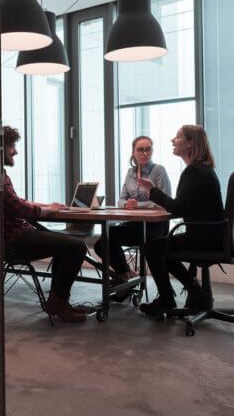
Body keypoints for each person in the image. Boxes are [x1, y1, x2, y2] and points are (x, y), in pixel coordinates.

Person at [0, 126, 88, 323]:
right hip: (14, 241)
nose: (15, 151)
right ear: (1, 148)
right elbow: (19, 208)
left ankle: (58, 301)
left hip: (7, 239)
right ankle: (59, 302)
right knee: (77, 247)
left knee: (65, 245)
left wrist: (47, 206)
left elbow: (16, 201)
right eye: (12, 146)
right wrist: (48, 210)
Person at [136, 125, 225, 317]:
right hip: (212, 235)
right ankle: (192, 290)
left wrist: (152, 190)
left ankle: (170, 298)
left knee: (152, 248)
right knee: (161, 247)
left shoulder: (194, 172)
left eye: (178, 137)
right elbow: (184, 206)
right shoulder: (201, 169)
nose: (172, 140)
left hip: (204, 238)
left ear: (190, 143)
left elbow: (177, 208)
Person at [92, 136, 171, 296]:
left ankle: (127, 281)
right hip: (134, 224)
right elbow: (121, 199)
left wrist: (138, 205)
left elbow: (165, 201)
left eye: (148, 149)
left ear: (152, 151)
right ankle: (126, 274)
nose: (144, 153)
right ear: (133, 152)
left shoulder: (158, 170)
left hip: (154, 227)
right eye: (140, 150)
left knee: (112, 238)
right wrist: (125, 204)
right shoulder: (130, 172)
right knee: (102, 243)